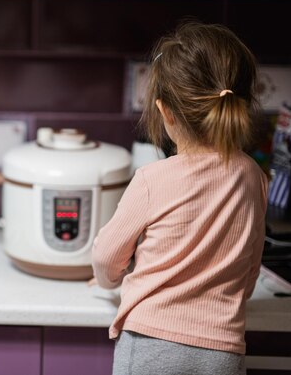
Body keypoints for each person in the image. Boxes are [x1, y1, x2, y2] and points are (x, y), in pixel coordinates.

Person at [91, 22, 268, 375]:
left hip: (150, 344)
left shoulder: (152, 179)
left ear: (165, 111)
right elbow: (251, 267)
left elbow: (107, 256)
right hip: (222, 351)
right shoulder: (254, 177)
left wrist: (109, 280)